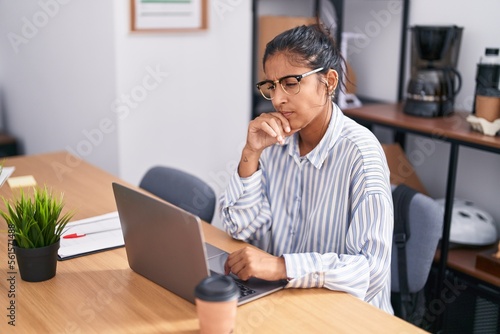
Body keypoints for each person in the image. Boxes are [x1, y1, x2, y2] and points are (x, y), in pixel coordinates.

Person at [219, 23, 394, 314]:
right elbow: (242, 228)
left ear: (329, 82)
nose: (277, 99)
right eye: (271, 86)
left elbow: (371, 271)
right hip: (283, 302)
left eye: (290, 83)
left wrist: (282, 266)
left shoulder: (361, 154)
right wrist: (250, 153)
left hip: (346, 316)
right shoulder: (274, 141)